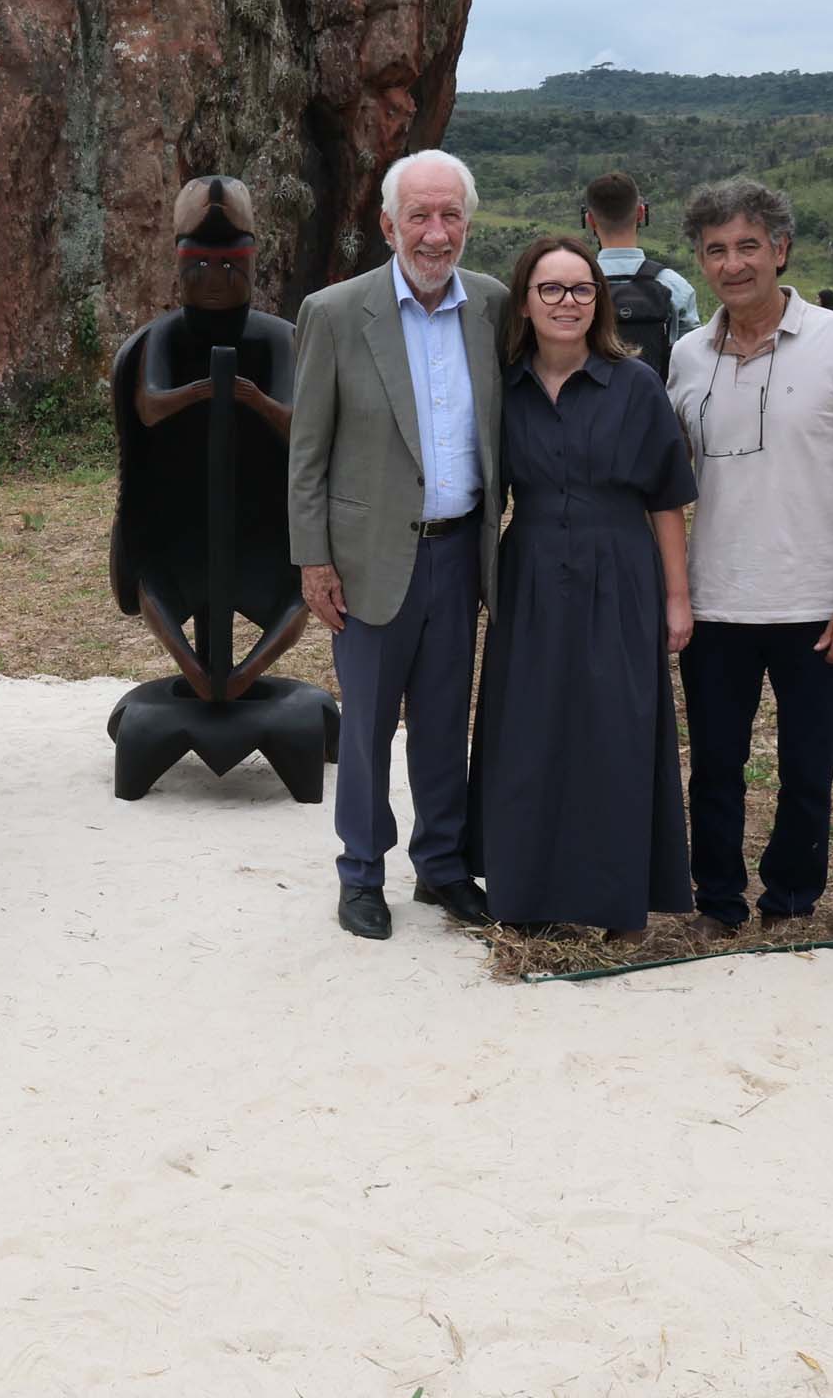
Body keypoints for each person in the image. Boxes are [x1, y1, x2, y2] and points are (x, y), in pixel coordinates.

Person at [666, 177, 833, 931]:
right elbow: (669, 481)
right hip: (717, 601)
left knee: (807, 768)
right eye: (716, 250)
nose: (733, 264)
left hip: (819, 604)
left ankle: (791, 902)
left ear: (781, 250)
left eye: (748, 246)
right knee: (714, 767)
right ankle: (718, 902)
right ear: (702, 261)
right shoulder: (687, 356)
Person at [287, 149, 505, 940]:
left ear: (468, 224)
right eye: (419, 216)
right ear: (388, 225)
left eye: (450, 216)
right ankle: (361, 873)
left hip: (461, 554)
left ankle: (442, 866)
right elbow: (307, 453)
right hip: (366, 559)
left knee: (445, 722)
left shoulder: (493, 307)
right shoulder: (336, 313)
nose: (435, 233)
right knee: (368, 727)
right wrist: (313, 560)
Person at [469, 235, 696, 936]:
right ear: (525, 302)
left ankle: (618, 901)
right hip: (531, 572)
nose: (567, 302)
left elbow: (666, 498)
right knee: (528, 733)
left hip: (622, 570)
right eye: (551, 289)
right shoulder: (502, 388)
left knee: (615, 733)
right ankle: (526, 896)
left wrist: (678, 598)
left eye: (581, 289)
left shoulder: (637, 384)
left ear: (599, 300)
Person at [581, 171, 697, 379]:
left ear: (590, 220)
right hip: (657, 399)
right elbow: (694, 360)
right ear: (641, 213)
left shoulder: (575, 287)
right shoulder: (674, 286)